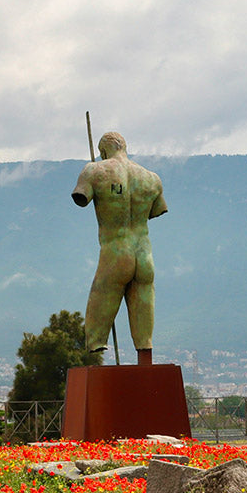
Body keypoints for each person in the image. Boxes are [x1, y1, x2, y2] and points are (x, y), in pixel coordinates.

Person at [71, 131, 167, 365]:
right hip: (144, 255)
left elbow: (80, 197)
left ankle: (95, 345)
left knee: (101, 296)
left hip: (116, 253)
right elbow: (157, 210)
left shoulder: (94, 170)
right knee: (144, 312)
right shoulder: (151, 178)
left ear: (103, 151)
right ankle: (145, 353)